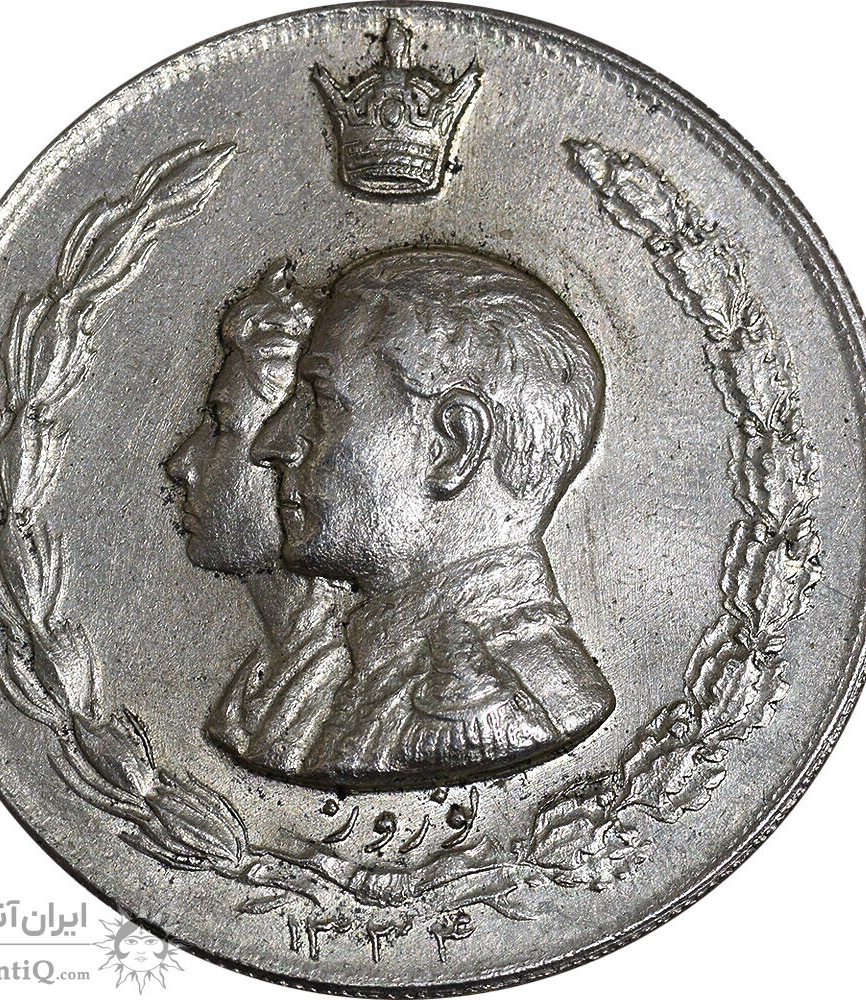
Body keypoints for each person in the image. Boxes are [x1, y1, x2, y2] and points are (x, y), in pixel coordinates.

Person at [253, 247, 615, 789]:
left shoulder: (517, 703)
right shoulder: (351, 678)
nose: (273, 443)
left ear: (454, 446)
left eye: (322, 402)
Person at [165, 260, 350, 781]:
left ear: (290, 448)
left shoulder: (351, 690)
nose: (181, 464)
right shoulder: (261, 688)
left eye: (221, 426)